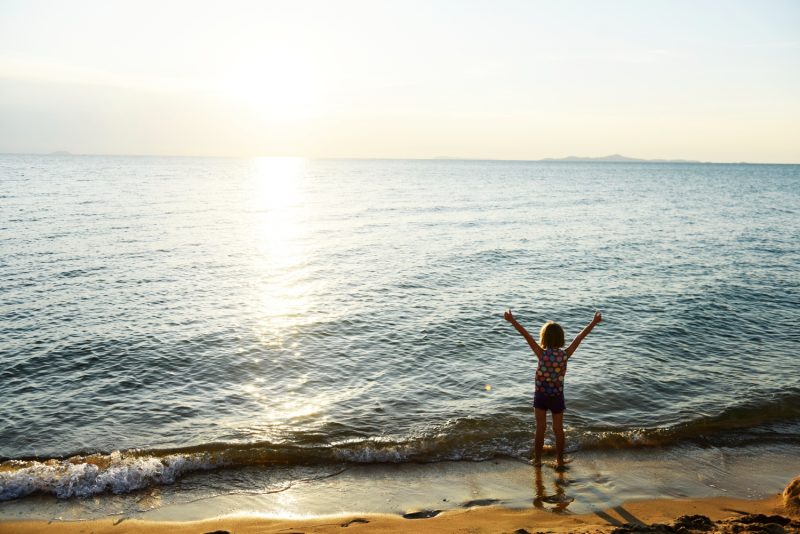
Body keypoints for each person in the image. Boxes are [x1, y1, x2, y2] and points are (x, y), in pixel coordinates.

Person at [503, 309, 602, 468]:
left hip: (541, 396)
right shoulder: (565, 355)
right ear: (561, 338)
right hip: (557, 396)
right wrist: (593, 322)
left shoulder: (541, 354)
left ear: (543, 338)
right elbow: (579, 338)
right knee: (558, 429)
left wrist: (512, 320)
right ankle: (560, 461)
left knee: (540, 428)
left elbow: (526, 335)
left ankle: (537, 460)